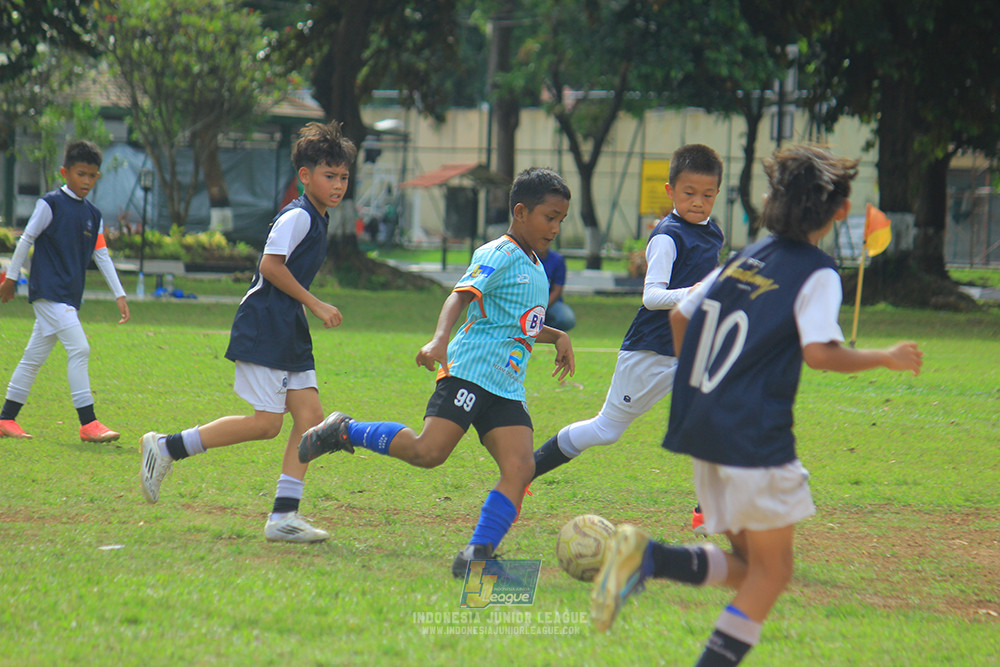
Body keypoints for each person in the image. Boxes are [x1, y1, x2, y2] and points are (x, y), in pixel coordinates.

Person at [590, 144, 924, 666]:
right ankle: (647, 559)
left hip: (706, 432)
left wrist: (703, 383)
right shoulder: (818, 272)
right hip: (754, 438)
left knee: (750, 566)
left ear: (771, 201)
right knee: (773, 574)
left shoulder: (746, 257)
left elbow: (682, 319)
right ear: (838, 211)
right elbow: (818, 353)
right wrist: (884, 356)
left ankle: (647, 556)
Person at [297, 167, 575, 576]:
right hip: (470, 373)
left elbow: (519, 321)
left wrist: (556, 336)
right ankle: (343, 430)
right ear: (520, 212)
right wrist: (439, 339)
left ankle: (477, 555)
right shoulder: (498, 253)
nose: (555, 228)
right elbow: (458, 298)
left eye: (560, 220)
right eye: (549, 217)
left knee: (521, 468)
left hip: (507, 387)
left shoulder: (537, 264)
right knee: (428, 453)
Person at [138, 120, 356, 543]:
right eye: (329, 176)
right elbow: (269, 267)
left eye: (344, 177)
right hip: (265, 324)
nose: (338, 184)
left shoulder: (319, 217)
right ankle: (166, 447)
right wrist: (315, 302)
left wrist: (304, 306)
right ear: (305, 177)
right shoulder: (297, 216)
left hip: (287, 325)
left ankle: (283, 517)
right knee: (266, 424)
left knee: (309, 420)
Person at [531, 145, 725, 507]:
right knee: (606, 430)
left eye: (708, 194)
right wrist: (697, 293)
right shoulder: (668, 237)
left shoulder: (714, 233)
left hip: (693, 344)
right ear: (670, 191)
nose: (698, 202)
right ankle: (526, 469)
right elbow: (652, 297)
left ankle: (709, 507)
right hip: (651, 350)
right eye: (689, 193)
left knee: (723, 406)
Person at [0, 140, 129, 443]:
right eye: (81, 174)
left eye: (93, 176)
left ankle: (6, 418)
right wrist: (12, 279)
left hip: (68, 296)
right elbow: (26, 239)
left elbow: (101, 255)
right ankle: (89, 423)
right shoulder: (50, 203)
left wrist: (119, 294)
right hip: (48, 293)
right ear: (65, 172)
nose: (86, 181)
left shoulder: (93, 214)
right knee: (80, 348)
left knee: (32, 358)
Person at [538, 247, 576, 331]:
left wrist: (541, 308)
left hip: (550, 303)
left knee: (567, 318)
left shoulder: (557, 259)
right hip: (527, 302)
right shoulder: (524, 258)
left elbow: (557, 290)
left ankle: (546, 332)